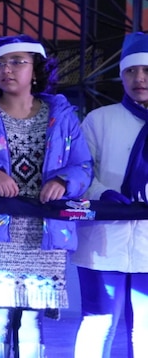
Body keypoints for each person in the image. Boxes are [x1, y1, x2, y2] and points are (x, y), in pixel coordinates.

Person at [0, 34, 92, 358]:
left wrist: (64, 182)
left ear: (36, 70)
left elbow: (83, 165)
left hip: (44, 234)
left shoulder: (63, 116)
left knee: (31, 319)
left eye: (16, 62)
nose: (6, 69)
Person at [73, 32, 148, 357]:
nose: (139, 78)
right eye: (131, 71)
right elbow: (79, 174)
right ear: (121, 75)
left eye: (146, 70)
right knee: (98, 323)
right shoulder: (98, 120)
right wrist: (105, 194)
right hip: (102, 241)